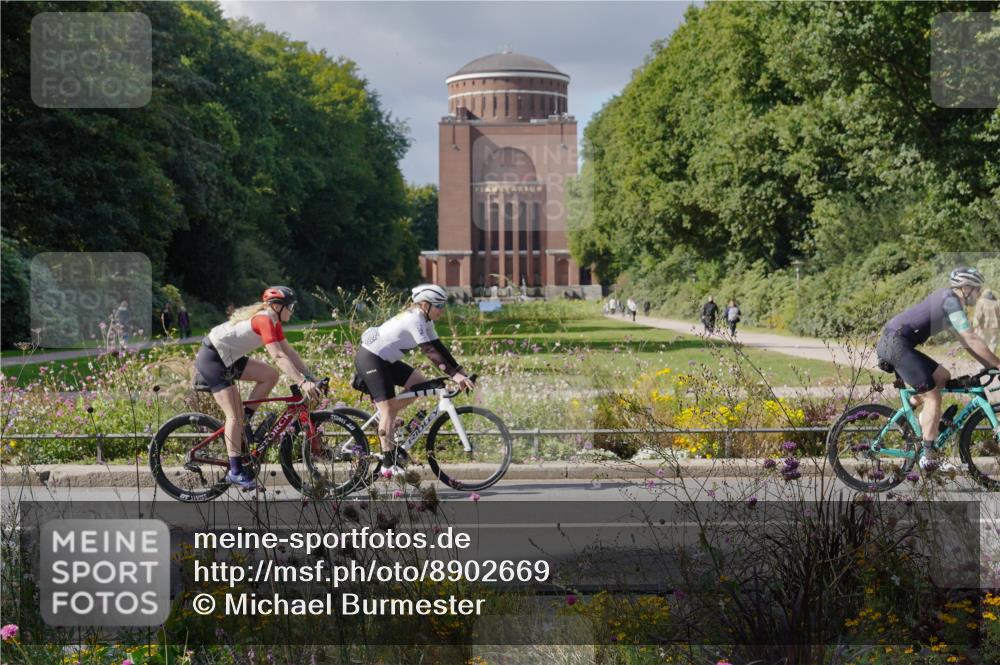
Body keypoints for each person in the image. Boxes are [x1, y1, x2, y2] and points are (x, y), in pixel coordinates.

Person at [875, 267, 1000, 473]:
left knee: (942, 376)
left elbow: (967, 344)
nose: (978, 294)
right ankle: (928, 456)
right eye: (976, 289)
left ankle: (919, 422)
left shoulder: (948, 301)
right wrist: (997, 364)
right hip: (896, 344)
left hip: (896, 342)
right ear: (966, 287)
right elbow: (970, 337)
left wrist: (989, 365)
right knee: (933, 397)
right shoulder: (950, 300)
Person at [196, 286, 321, 490]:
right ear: (277, 306)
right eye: (290, 306)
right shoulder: (264, 319)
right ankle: (235, 471)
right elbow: (278, 356)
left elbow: (288, 351)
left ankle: (244, 423)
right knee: (234, 415)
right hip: (213, 359)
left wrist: (310, 377)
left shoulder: (273, 320)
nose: (293, 310)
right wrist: (301, 382)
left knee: (270, 375)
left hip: (228, 357)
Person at [354, 284, 474, 476]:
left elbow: (438, 347)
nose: (442, 310)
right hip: (371, 358)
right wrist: (454, 375)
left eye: (444, 305)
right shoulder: (414, 319)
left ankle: (387, 418)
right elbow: (429, 351)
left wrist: (459, 370)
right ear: (425, 305)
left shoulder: (425, 321)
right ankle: (387, 463)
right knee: (388, 409)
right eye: (439, 306)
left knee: (419, 383)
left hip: (385, 360)